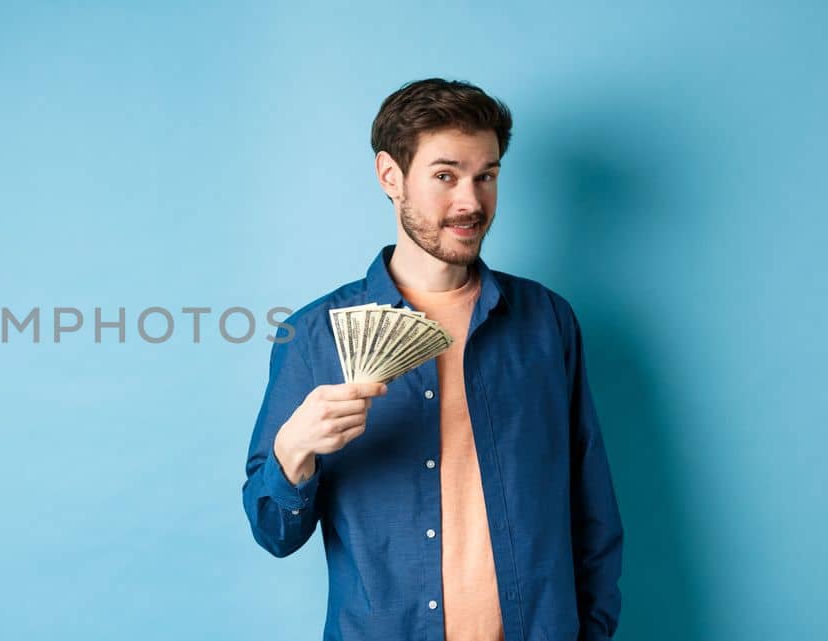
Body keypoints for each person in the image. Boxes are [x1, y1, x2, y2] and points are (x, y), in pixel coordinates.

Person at [241, 78, 623, 641]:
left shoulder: (547, 320)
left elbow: (592, 507)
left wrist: (592, 630)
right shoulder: (314, 334)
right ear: (390, 176)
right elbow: (274, 531)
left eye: (486, 176)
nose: (470, 201)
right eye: (445, 176)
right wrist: (294, 450)